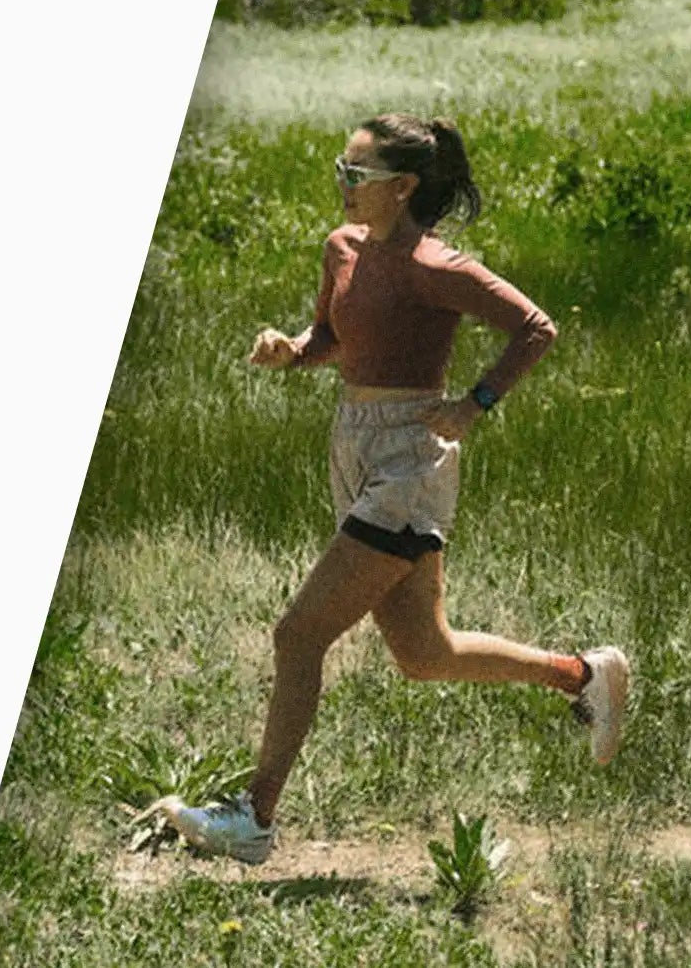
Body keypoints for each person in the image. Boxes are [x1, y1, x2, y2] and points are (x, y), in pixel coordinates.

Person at [153, 112, 629, 864]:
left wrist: (474, 403)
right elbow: (332, 339)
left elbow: (536, 328)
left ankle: (253, 818)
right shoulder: (341, 247)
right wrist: (290, 351)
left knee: (298, 633)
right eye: (341, 170)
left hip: (410, 460)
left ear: (403, 186)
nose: (343, 185)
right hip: (352, 444)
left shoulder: (435, 266)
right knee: (423, 653)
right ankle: (582, 675)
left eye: (357, 174)